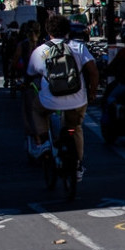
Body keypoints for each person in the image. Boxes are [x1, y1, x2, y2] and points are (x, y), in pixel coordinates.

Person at [27, 14, 99, 180]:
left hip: (49, 100)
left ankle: (44, 141)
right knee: (75, 128)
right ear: (68, 30)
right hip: (77, 99)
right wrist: (92, 92)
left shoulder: (40, 51)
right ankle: (78, 164)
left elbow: (30, 74)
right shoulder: (78, 47)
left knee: (37, 110)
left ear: (48, 31)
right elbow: (93, 72)